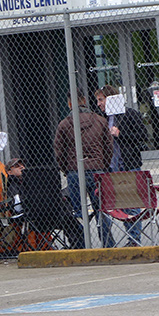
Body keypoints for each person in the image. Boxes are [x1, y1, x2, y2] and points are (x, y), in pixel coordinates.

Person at [54, 88, 113, 248]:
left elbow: (59, 152)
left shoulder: (65, 124)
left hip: (75, 171)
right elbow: (109, 146)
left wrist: (67, 169)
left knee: (79, 211)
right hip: (97, 169)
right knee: (101, 209)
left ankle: (82, 245)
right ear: (85, 101)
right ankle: (108, 244)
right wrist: (103, 165)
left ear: (69, 103)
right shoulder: (100, 121)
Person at [96, 85, 148, 246]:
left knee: (131, 205)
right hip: (112, 167)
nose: (99, 104)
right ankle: (121, 240)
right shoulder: (101, 119)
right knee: (118, 205)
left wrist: (121, 134)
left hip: (128, 164)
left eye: (101, 100)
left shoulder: (129, 114)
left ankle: (134, 239)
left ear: (111, 99)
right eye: (97, 100)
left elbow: (143, 135)